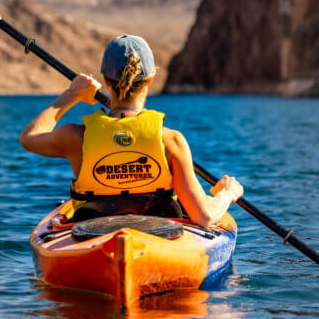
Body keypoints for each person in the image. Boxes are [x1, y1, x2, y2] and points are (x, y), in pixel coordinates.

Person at [19, 34, 243, 229]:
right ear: (151, 80)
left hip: (92, 233)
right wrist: (227, 194)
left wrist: (72, 95)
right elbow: (204, 217)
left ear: (106, 81)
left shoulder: (77, 137)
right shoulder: (172, 141)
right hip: (160, 234)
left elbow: (29, 138)